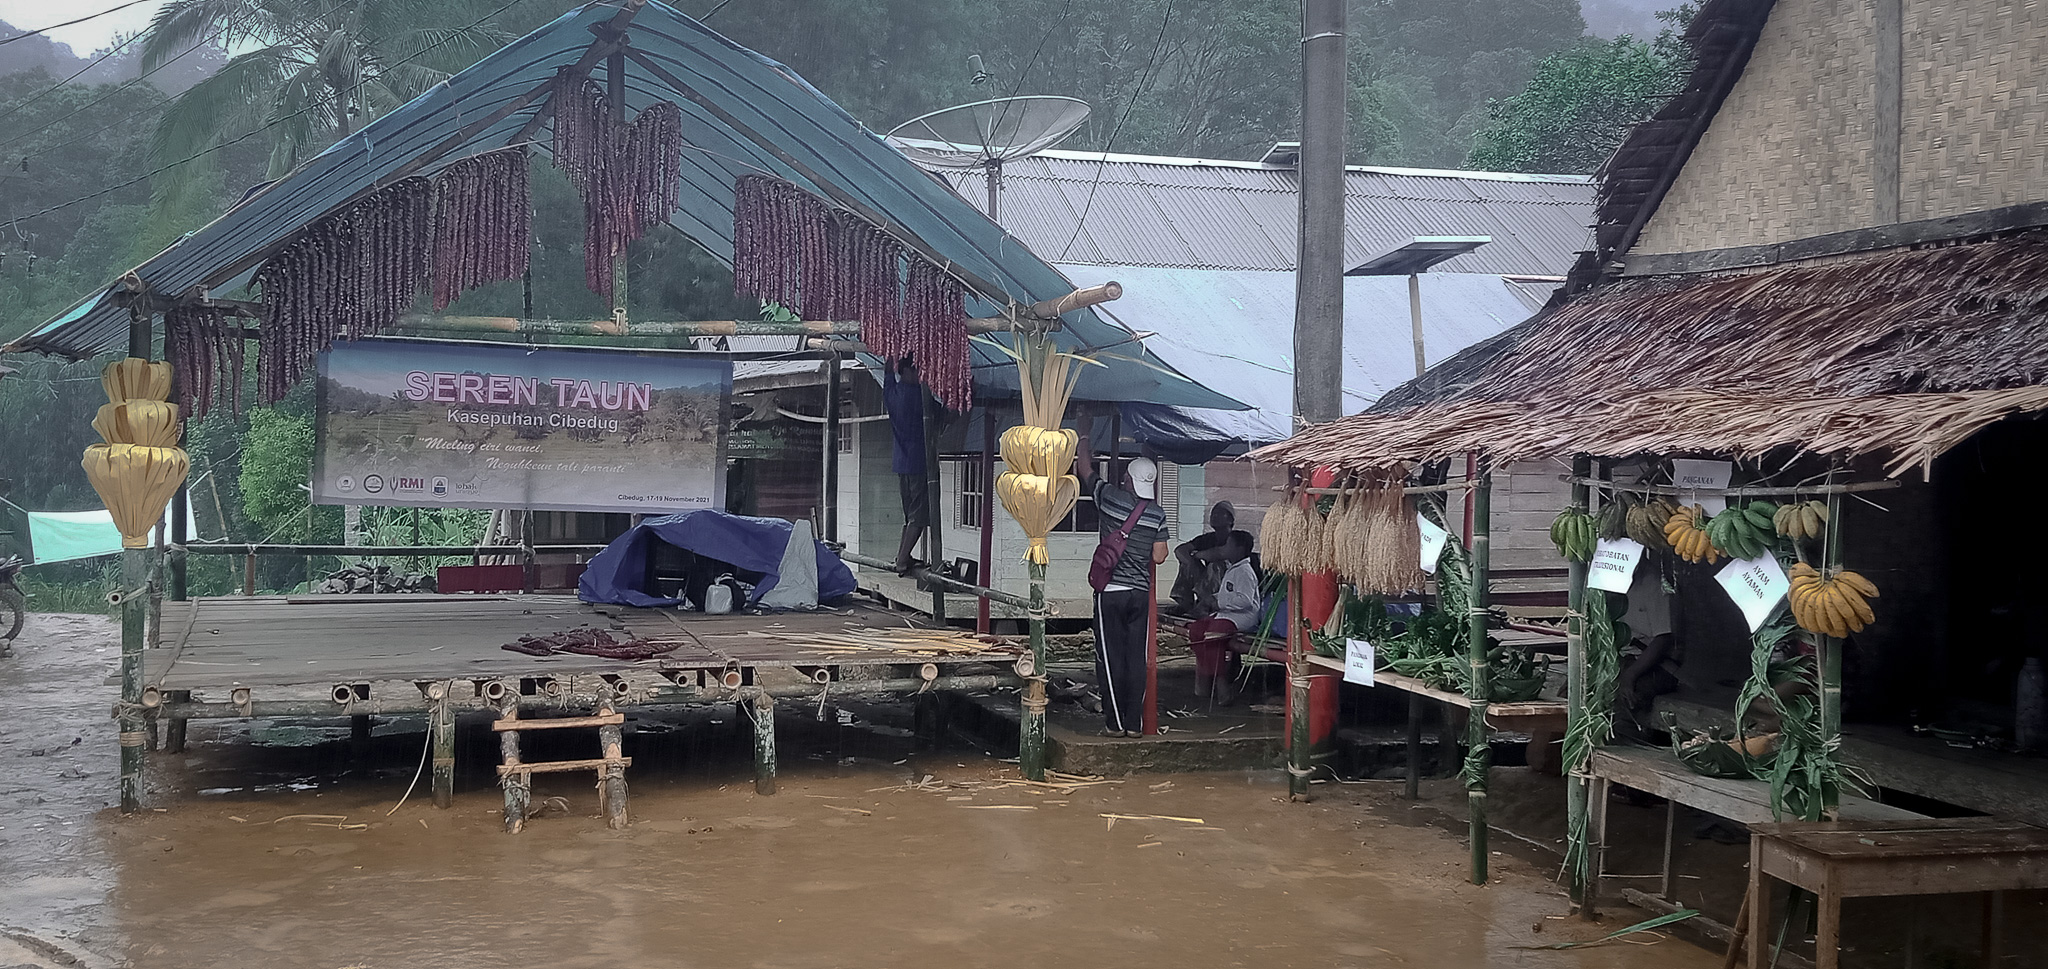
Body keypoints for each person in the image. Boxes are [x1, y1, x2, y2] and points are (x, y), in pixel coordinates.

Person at [1075, 445, 1170, 737]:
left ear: (1128, 479)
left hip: (1111, 593)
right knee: (1135, 659)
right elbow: (1159, 555)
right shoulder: (1156, 513)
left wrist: (1084, 433)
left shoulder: (1111, 498)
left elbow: (1085, 470)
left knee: (1110, 657)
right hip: (1139, 594)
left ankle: (1115, 724)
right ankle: (1134, 724)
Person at [1186, 530, 1260, 704]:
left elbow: (1245, 601)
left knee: (1214, 634)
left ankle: (1222, 684)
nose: (1224, 548)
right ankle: (1205, 676)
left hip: (1242, 617)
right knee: (1197, 629)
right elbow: (1227, 594)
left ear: (1240, 550)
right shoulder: (1232, 568)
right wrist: (1213, 598)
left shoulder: (1245, 571)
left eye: (1228, 544)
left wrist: (1219, 603)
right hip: (1227, 614)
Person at [882, 358, 928, 575]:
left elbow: (887, 375)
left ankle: (903, 556)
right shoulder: (918, 397)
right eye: (917, 370)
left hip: (901, 463)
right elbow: (942, 417)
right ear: (907, 371)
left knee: (909, 515)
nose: (920, 375)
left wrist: (891, 353)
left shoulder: (891, 393)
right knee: (917, 516)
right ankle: (902, 560)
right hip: (919, 462)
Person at [1169, 501, 1235, 614]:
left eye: (1219, 514)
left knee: (1216, 565)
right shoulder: (1207, 538)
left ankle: (1207, 606)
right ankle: (1186, 603)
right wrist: (1191, 563)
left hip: (1229, 585)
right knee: (1187, 562)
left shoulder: (1234, 538)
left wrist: (1197, 555)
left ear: (1230, 519)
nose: (1214, 516)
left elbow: (1219, 554)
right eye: (1213, 514)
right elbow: (1180, 550)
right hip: (1208, 580)